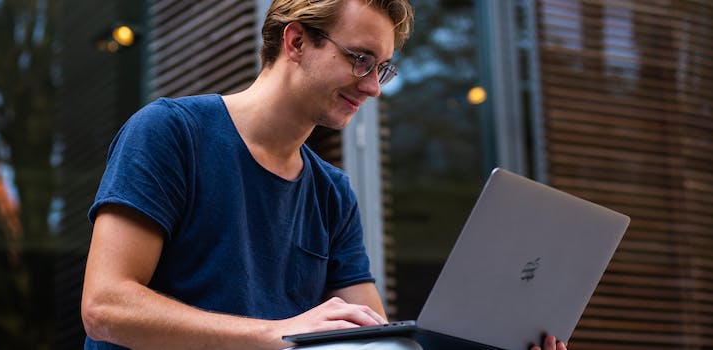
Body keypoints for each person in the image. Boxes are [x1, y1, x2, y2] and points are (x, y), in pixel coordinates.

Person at [80, 1, 566, 350]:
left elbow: (374, 341)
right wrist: (274, 333)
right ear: (296, 42)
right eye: (359, 59)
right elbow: (105, 308)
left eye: (382, 68)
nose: (373, 87)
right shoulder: (170, 133)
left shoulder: (332, 193)